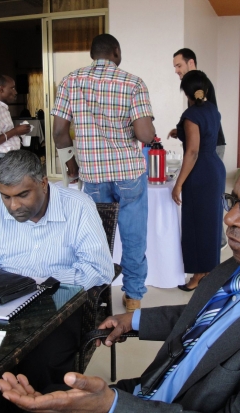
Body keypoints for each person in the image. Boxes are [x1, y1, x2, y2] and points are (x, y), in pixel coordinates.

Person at [0, 148, 240, 413]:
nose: (231, 218)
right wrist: (131, 319)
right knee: (10, 397)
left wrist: (112, 406)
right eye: (235, 201)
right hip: (147, 391)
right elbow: (205, 317)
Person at [0, 150, 114, 395]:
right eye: (6, 196)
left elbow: (99, 269)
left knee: (41, 366)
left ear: (43, 183)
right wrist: (9, 285)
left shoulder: (77, 207)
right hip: (4, 301)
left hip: (59, 304)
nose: (13, 206)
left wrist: (38, 284)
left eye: (23, 195)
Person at [51, 33, 156, 312]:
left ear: (92, 54)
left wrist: (72, 165)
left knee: (97, 240)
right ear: (116, 53)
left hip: (94, 176)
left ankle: (97, 297)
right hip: (129, 174)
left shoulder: (70, 81)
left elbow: (59, 132)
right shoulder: (133, 82)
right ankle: (133, 298)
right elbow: (145, 135)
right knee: (134, 238)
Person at [169, 48, 228, 250]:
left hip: (208, 150)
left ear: (191, 63)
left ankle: (216, 242)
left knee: (207, 205)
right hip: (208, 152)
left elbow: (197, 141)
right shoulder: (200, 95)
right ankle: (213, 246)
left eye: (179, 65)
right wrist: (183, 131)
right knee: (208, 203)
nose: (177, 71)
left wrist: (178, 185)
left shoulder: (200, 89)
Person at [172, 70, 226, 292]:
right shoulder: (212, 109)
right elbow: (205, 135)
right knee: (211, 223)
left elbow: (192, 152)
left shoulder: (191, 115)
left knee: (196, 224)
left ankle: (197, 276)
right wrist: (179, 132)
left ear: (187, 91)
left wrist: (178, 184)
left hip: (200, 172)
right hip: (215, 169)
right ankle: (209, 271)